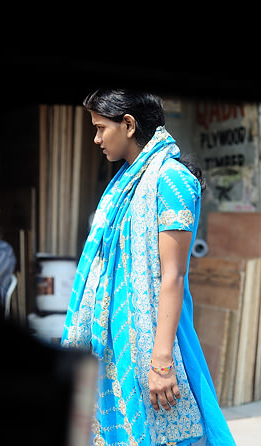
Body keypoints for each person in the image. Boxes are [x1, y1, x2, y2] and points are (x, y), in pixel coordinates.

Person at [61, 89, 235, 445]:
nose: (95, 139)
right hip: (112, 340)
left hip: (154, 340)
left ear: (127, 125)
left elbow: (173, 275)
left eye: (99, 128)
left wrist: (161, 363)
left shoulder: (172, 181)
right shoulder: (124, 181)